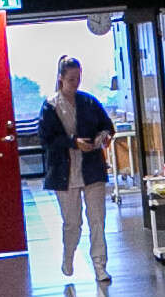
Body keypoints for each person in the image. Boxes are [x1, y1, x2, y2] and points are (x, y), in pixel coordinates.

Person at [41, 56, 118, 281]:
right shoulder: (50, 106)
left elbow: (107, 125)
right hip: (64, 172)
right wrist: (74, 143)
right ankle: (68, 256)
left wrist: (104, 136)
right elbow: (47, 139)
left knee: (97, 219)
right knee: (73, 223)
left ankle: (100, 265)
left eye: (78, 78)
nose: (75, 83)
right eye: (71, 79)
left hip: (92, 168)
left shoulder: (89, 102)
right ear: (61, 78)